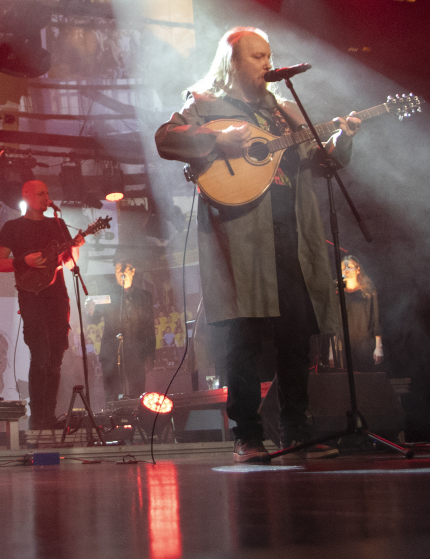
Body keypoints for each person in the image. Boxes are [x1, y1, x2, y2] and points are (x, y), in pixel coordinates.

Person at [155, 27, 362, 463]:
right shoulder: (204, 102)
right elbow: (166, 138)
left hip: (292, 231)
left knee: (295, 336)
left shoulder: (285, 110)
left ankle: (296, 431)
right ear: (232, 62)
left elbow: (320, 162)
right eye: (257, 56)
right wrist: (216, 139)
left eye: (269, 55)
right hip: (241, 235)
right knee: (243, 335)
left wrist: (342, 139)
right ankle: (247, 435)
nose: (268, 63)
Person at [0, 179, 86, 430]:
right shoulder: (13, 227)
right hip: (31, 296)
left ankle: (49, 416)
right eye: (41, 193)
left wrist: (76, 246)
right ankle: (37, 418)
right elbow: (0, 264)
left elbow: (69, 263)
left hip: (57, 295)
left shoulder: (57, 224)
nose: (47, 197)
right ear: (27, 196)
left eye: (47, 193)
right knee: (41, 355)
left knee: (56, 355)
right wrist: (24, 261)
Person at [97, 258, 156, 400]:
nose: (122, 272)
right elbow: (94, 317)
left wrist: (150, 354)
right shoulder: (107, 294)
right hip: (112, 353)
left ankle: (136, 413)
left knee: (137, 393)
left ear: (133, 271)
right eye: (118, 269)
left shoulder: (144, 296)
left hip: (137, 352)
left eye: (125, 268)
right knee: (112, 394)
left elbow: (149, 327)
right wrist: (90, 311)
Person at [341, 256, 384, 371]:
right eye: (343, 268)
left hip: (365, 343)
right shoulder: (339, 292)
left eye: (349, 267)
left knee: (364, 375)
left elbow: (376, 319)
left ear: (358, 269)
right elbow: (334, 321)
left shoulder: (368, 291)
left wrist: (379, 347)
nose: (346, 270)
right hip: (344, 345)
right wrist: (332, 349)